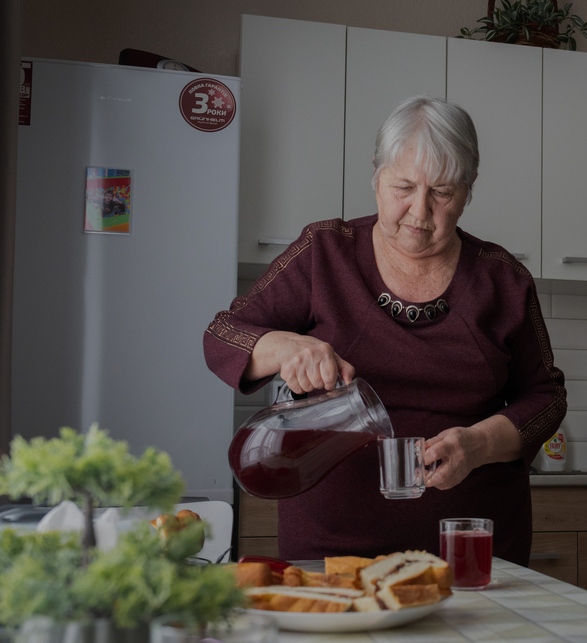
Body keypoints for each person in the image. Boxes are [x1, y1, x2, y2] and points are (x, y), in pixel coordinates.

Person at [204, 95, 566, 565]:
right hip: (332, 550)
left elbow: (547, 398)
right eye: (403, 187)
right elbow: (223, 333)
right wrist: (287, 346)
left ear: (469, 189)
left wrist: (477, 445)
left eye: (442, 193)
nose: (419, 212)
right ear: (376, 176)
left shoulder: (503, 281)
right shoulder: (324, 252)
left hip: (471, 551)